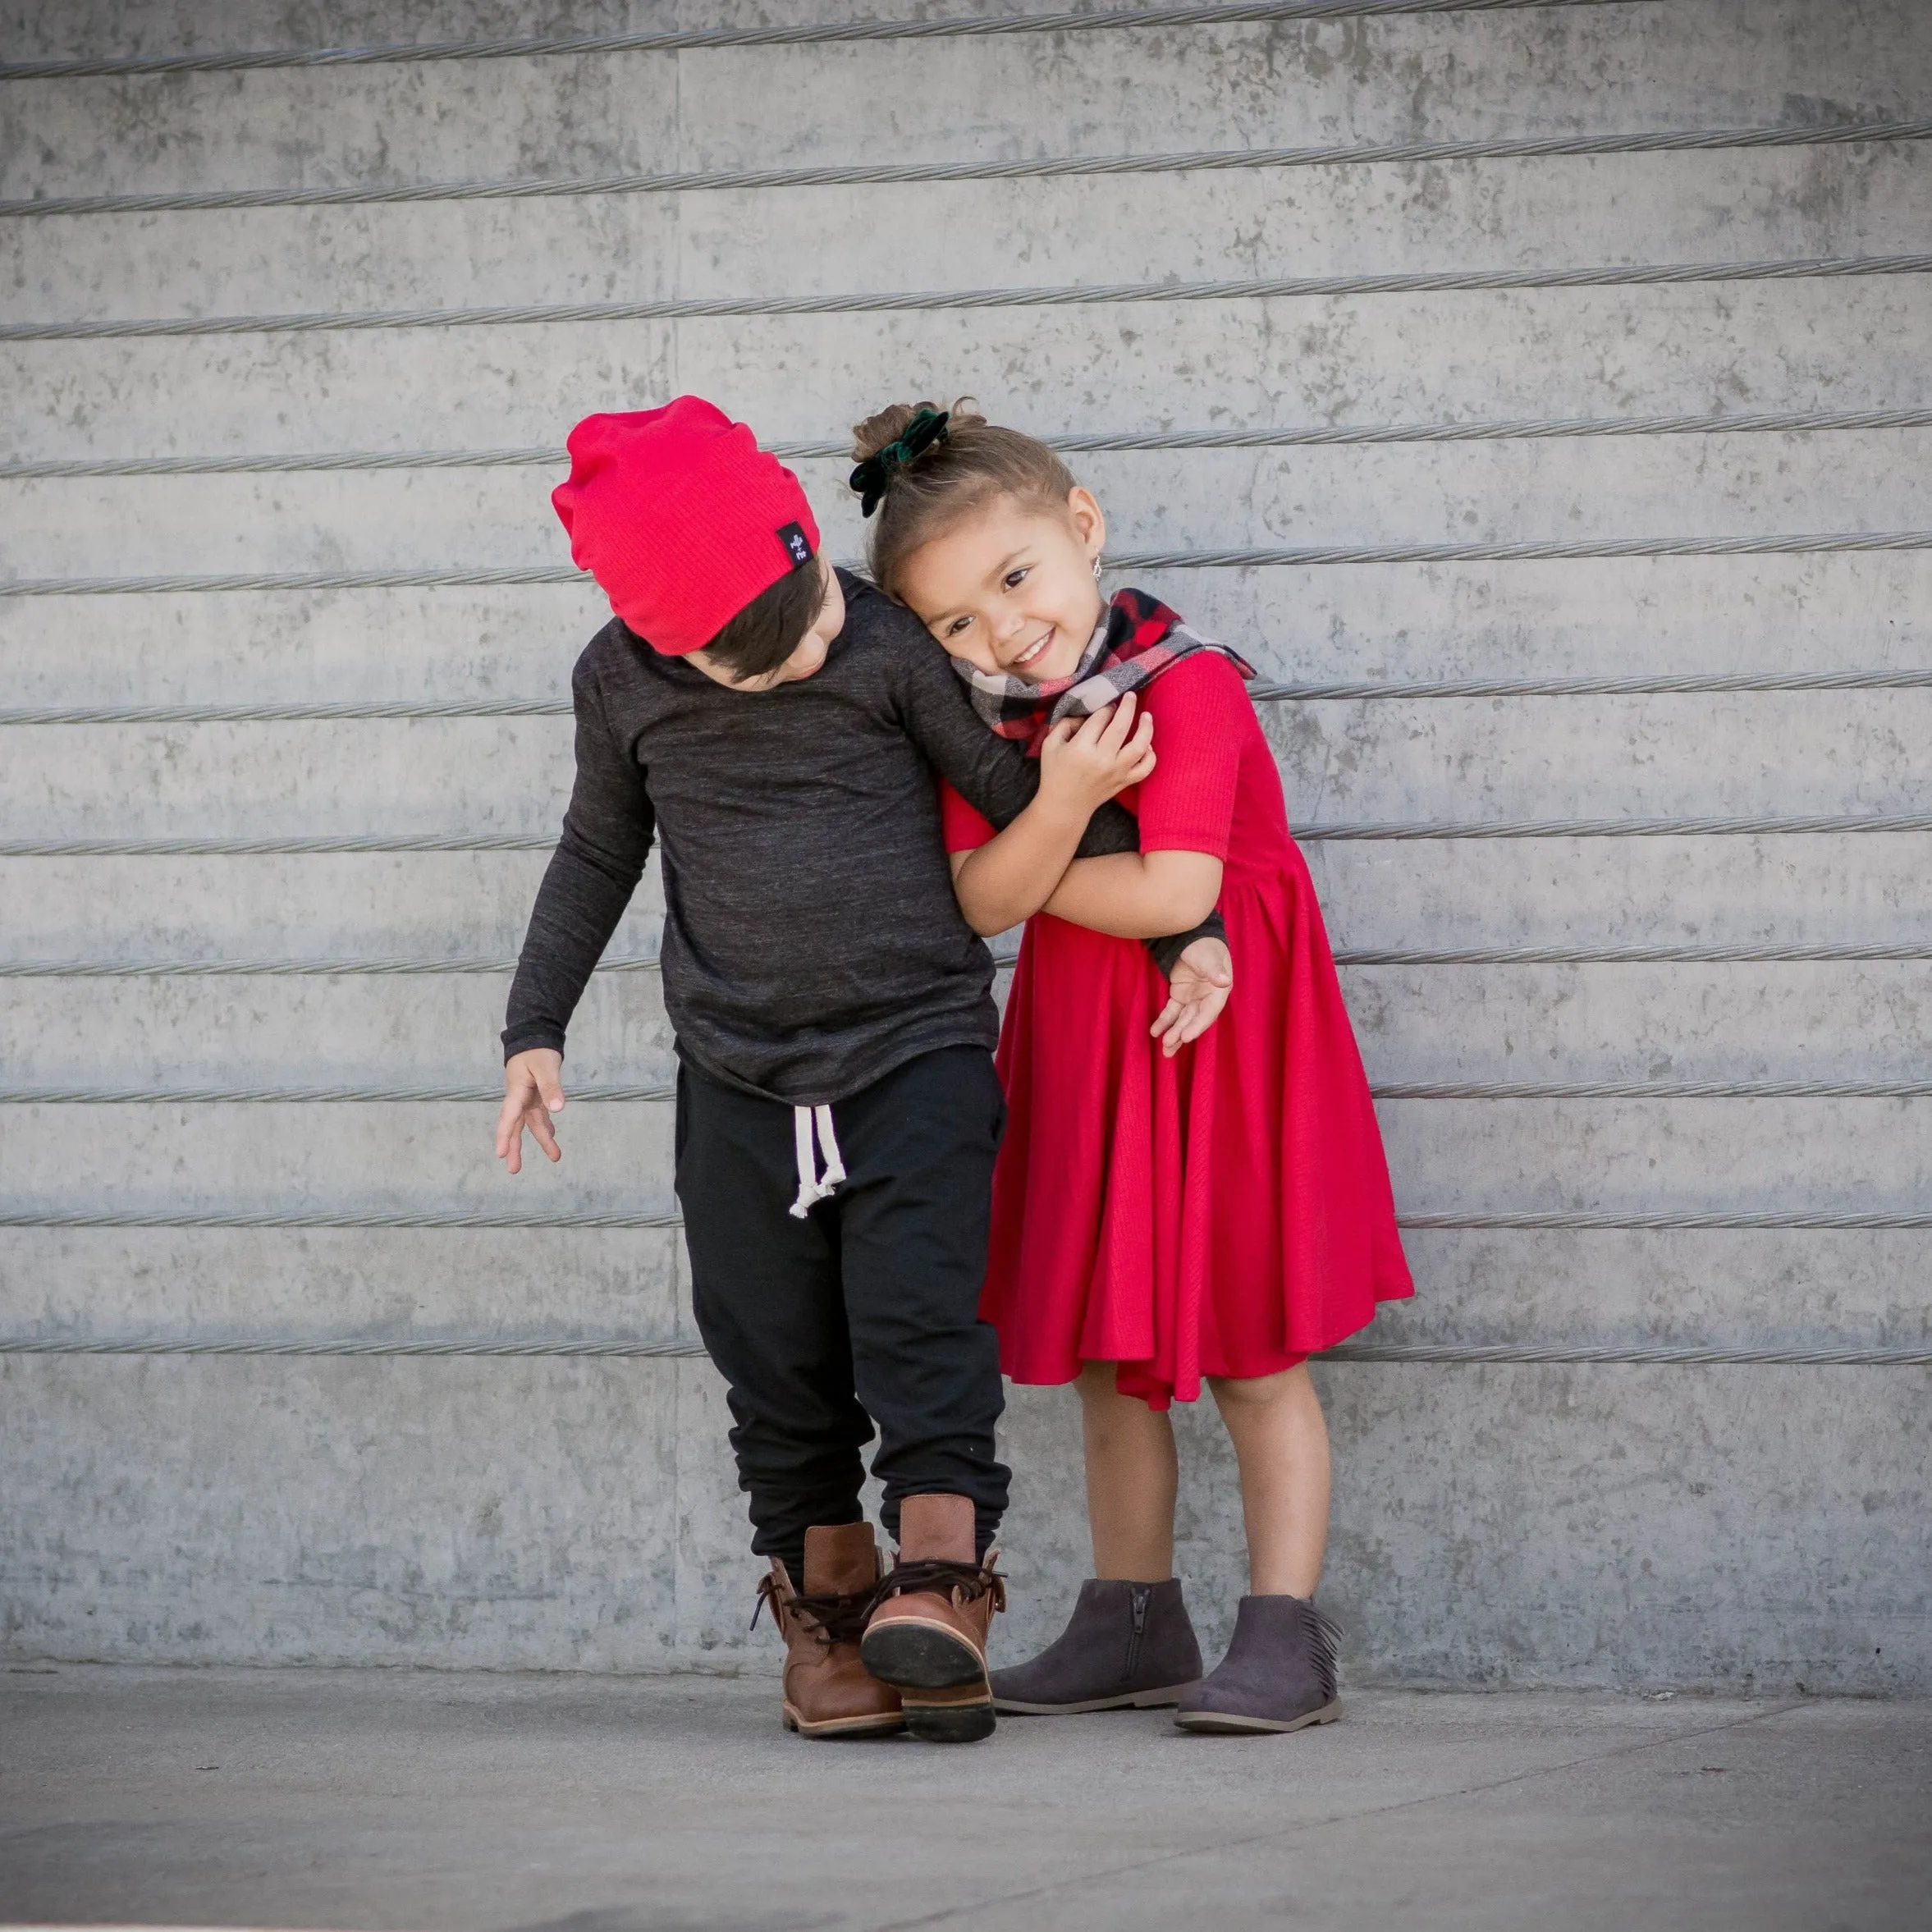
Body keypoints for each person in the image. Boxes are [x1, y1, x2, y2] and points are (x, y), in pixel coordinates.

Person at [492, 397, 1229, 1743]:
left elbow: (1010, 804)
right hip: (734, 1069)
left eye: (818, 609)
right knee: (768, 1349)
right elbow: (598, 850)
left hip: (916, 1050)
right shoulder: (618, 682)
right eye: (774, 657)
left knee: (922, 1323)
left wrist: (1186, 919)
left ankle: (940, 1586)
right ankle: (832, 1603)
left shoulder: (878, 638)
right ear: (667, 640)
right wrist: (533, 1025)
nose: (820, 643)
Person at [849, 400, 1414, 1734]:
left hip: (1224, 1043)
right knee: (1111, 1351)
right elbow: (978, 897)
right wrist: (1046, 814)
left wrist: (1031, 857)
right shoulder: (1001, 731)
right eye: (955, 623)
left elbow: (1171, 885)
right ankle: (1131, 1616)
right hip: (1092, 1041)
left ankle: (1284, 1634)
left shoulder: (1183, 680)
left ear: (1082, 528)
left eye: (1014, 577)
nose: (1002, 632)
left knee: (1249, 1344)